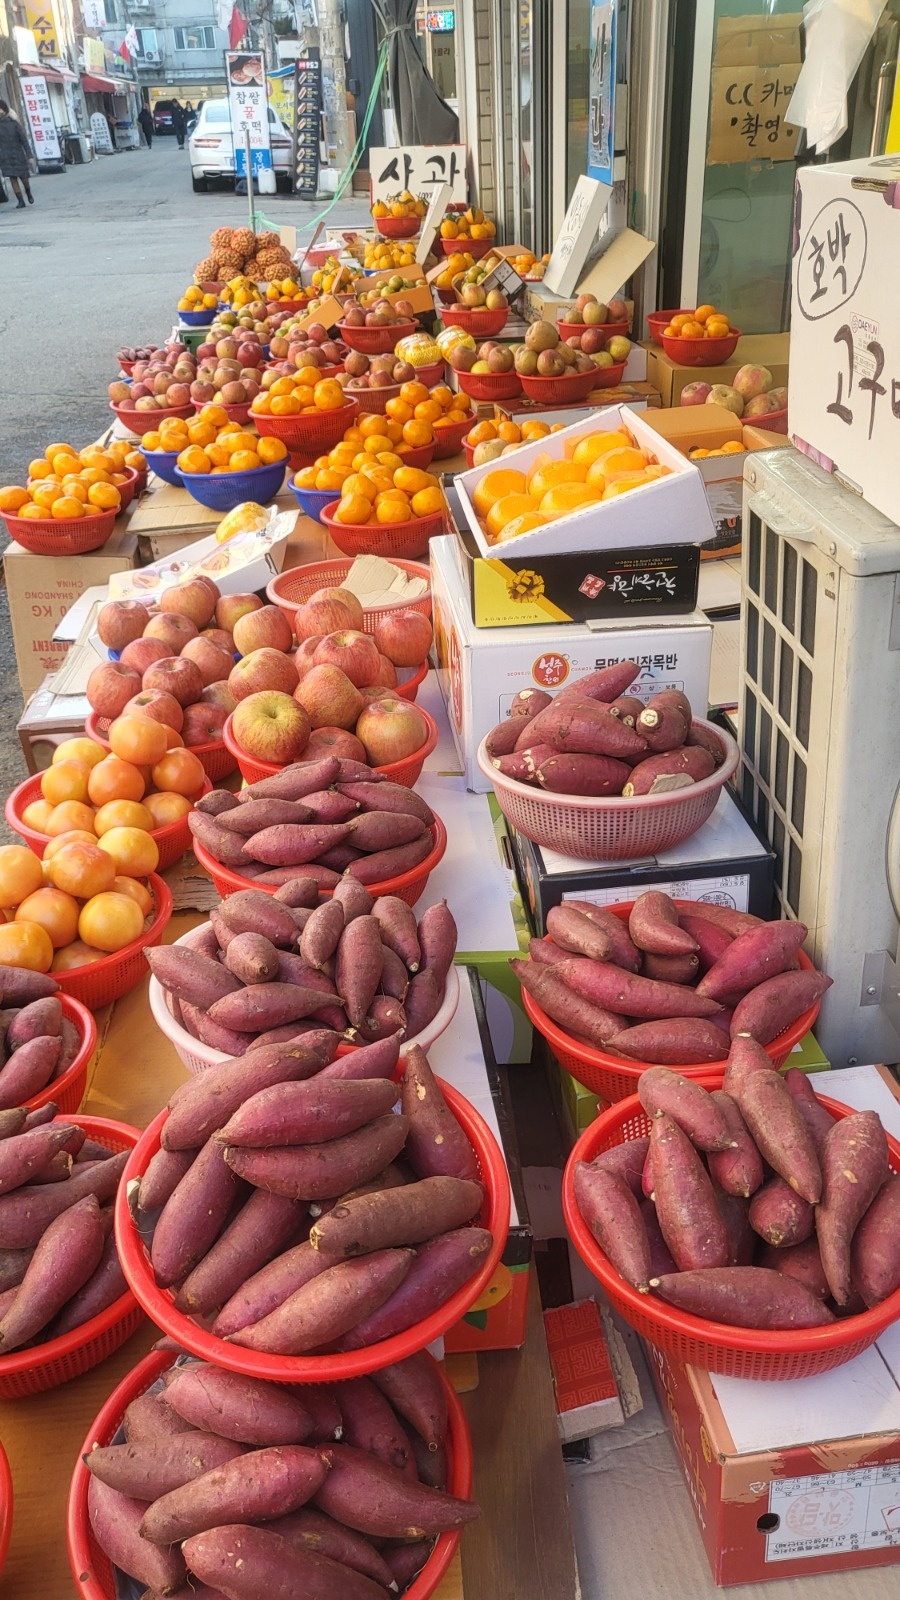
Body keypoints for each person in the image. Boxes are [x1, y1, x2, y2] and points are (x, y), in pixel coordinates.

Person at [0, 100, 34, 208]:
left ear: (4, 110)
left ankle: (28, 192)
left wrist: (30, 156)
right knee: (13, 178)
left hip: (18, 154)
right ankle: (20, 201)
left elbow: (24, 140)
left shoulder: (14, 123)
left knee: (24, 178)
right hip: (6, 156)